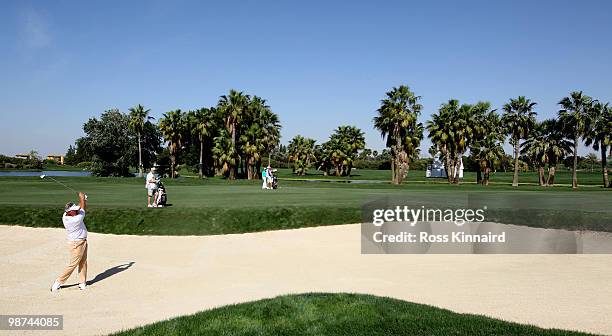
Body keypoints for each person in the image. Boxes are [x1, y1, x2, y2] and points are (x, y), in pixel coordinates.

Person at [51, 192, 89, 292]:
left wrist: (83, 200)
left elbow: (80, 207)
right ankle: (58, 282)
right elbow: (83, 208)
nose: (76, 211)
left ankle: (82, 282)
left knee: (83, 262)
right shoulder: (74, 220)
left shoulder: (68, 213)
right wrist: (82, 198)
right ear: (70, 212)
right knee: (73, 264)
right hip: (76, 244)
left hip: (82, 241)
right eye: (74, 211)